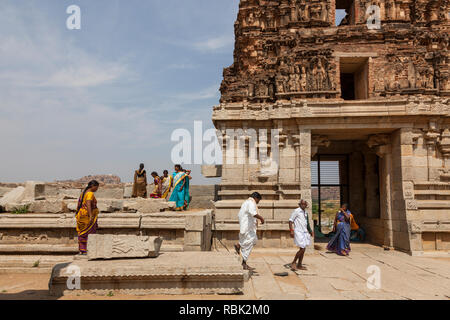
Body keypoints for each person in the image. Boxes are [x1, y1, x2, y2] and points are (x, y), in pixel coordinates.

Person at [234, 192, 265, 270]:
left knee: (253, 240)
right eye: (258, 200)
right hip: (248, 228)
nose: (258, 202)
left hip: (245, 227)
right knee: (250, 242)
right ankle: (244, 263)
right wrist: (261, 218)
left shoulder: (245, 203)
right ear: (256, 198)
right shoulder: (251, 203)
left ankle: (239, 245)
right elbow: (253, 213)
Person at [75, 180, 100, 255]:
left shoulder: (83, 193)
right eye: (97, 187)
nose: (97, 189)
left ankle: (82, 250)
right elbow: (88, 204)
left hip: (81, 215)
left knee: (82, 232)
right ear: (93, 186)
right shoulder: (90, 194)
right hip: (86, 215)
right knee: (88, 232)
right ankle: (86, 249)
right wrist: (91, 215)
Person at [289, 199, 314, 271]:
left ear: (306, 205)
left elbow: (307, 223)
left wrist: (310, 231)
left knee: (303, 249)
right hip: (298, 232)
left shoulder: (305, 212)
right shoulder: (296, 211)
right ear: (299, 204)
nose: (303, 205)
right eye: (302, 204)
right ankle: (293, 262)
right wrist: (291, 230)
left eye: (304, 204)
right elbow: (290, 221)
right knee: (302, 248)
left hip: (305, 232)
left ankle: (299, 264)